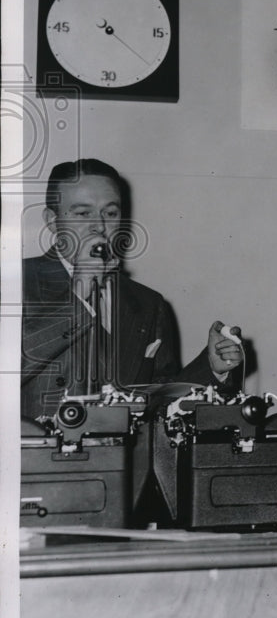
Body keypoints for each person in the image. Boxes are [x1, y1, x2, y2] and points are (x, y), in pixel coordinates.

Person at [21, 158, 244, 426]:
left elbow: (159, 399)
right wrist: (78, 298)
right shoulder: (16, 283)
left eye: (111, 213)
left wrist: (211, 368)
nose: (100, 227)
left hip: (123, 464)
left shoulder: (148, 303)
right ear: (52, 221)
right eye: (82, 213)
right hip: (37, 463)